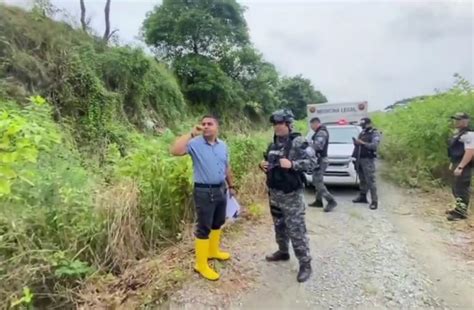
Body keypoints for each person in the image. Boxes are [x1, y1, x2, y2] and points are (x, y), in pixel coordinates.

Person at [170, 115, 236, 281]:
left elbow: (226, 167)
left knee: (218, 222)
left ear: (217, 127)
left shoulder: (223, 145)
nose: (206, 126)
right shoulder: (194, 144)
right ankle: (200, 264)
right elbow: (175, 151)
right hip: (204, 192)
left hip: (221, 189)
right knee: (204, 227)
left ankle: (213, 252)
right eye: (203, 124)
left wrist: (231, 186)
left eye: (210, 124)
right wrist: (191, 134)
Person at [259, 109, 316, 283]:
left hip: (291, 195)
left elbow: (313, 164)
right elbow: (271, 163)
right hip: (274, 193)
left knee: (296, 230)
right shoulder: (274, 143)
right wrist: (263, 165)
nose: (276, 127)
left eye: (280, 123)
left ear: (289, 124)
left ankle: (305, 264)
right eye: (274, 124)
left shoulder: (299, 142)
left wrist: (292, 164)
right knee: (279, 226)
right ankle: (283, 252)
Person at [446, 112, 473, 221]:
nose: (456, 121)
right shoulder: (458, 134)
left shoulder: (469, 134)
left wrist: (461, 166)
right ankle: (458, 208)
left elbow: (470, 152)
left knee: (461, 188)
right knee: (456, 188)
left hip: (464, 165)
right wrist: (453, 163)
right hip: (457, 162)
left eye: (459, 119)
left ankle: (461, 213)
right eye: (455, 119)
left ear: (465, 121)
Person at [307, 117, 337, 212]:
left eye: (312, 125)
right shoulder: (319, 132)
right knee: (317, 180)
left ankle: (331, 201)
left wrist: (307, 145)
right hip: (318, 160)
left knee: (317, 182)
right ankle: (318, 201)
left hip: (321, 160)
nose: (311, 127)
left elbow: (318, 146)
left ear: (316, 123)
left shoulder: (321, 132)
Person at [352, 117, 380, 210]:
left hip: (368, 160)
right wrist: (356, 143)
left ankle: (374, 201)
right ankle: (362, 196)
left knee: (370, 181)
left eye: (364, 125)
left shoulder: (374, 133)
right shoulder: (363, 132)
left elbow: (374, 146)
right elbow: (359, 144)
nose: (363, 127)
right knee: (362, 179)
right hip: (360, 158)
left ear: (368, 123)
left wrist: (363, 143)